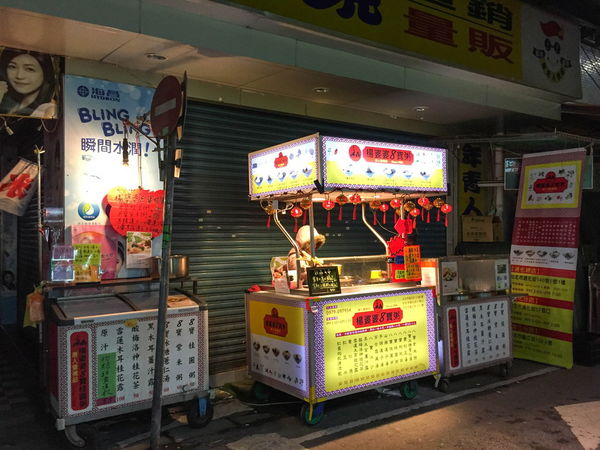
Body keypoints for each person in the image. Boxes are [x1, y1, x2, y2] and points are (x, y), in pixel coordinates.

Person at [0, 48, 57, 118]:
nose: (19, 76)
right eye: (13, 67)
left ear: (46, 73)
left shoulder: (48, 109)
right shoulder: (8, 103)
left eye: (30, 69)